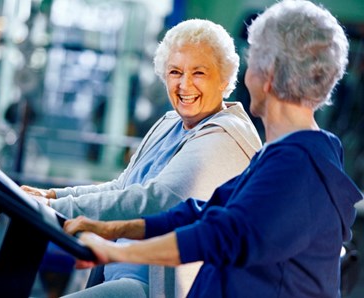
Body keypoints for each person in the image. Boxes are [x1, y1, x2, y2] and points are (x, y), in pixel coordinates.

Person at [62, 1, 364, 297]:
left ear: (268, 75)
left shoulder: (295, 165)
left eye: (251, 60)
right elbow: (200, 213)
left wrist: (120, 254)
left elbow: (221, 235)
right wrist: (113, 230)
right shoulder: (299, 154)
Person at [22, 19, 262, 297]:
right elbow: (121, 187)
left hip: (153, 288)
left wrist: (63, 208)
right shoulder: (169, 122)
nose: (184, 85)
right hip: (116, 273)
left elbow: (156, 200)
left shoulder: (226, 136)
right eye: (175, 72)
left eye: (199, 73)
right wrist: (50, 196)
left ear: (224, 78)